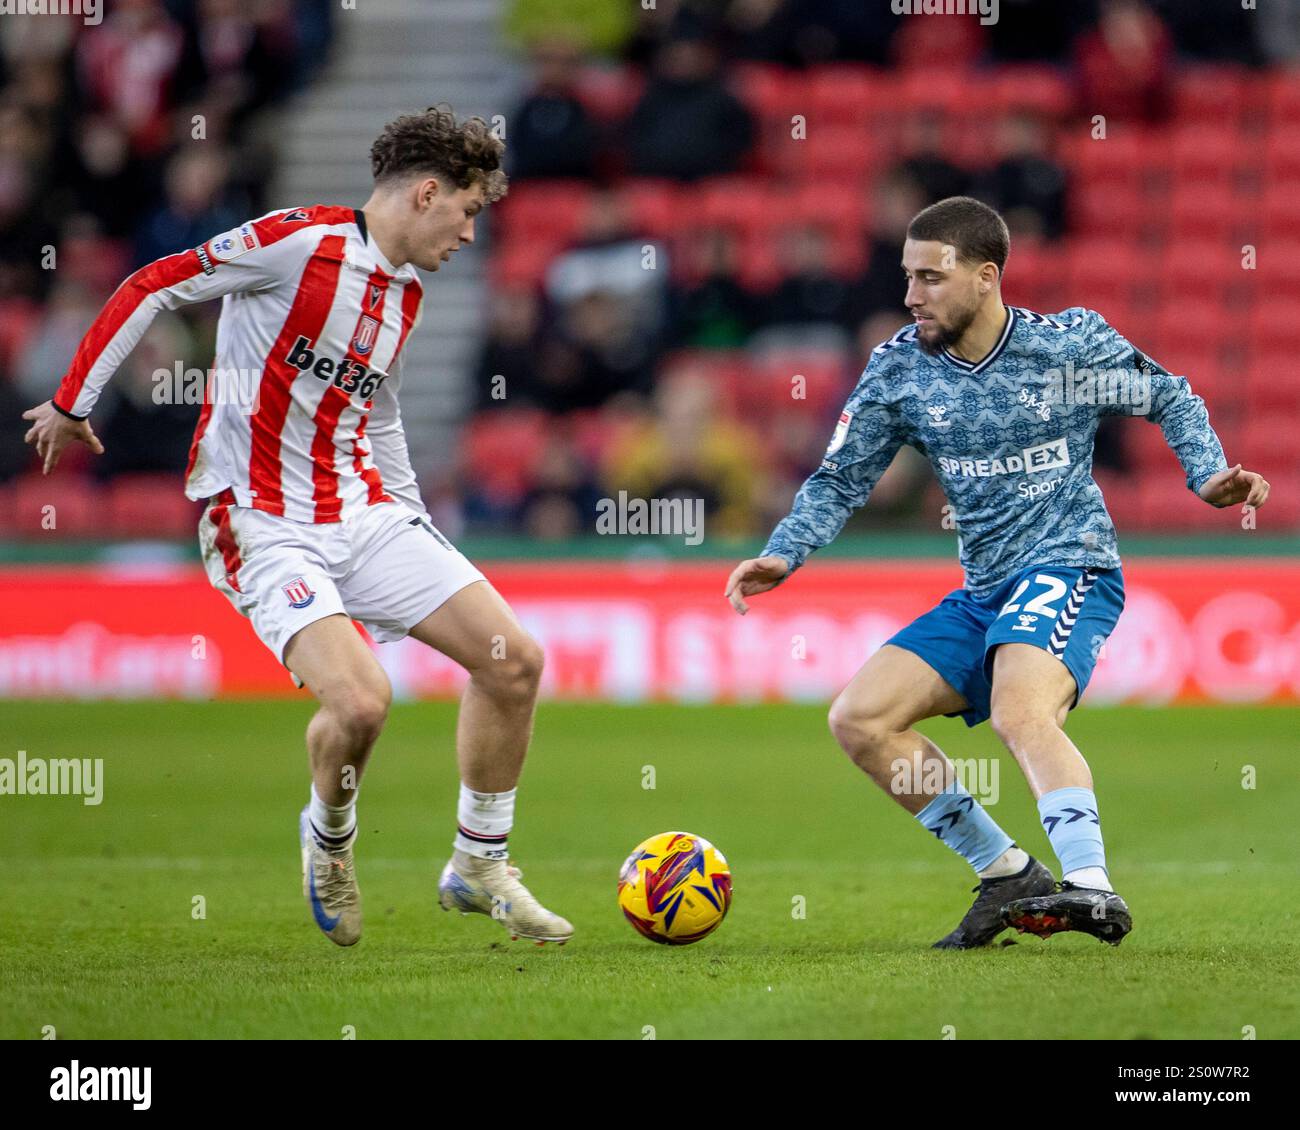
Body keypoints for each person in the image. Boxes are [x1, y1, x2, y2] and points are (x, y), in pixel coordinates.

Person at [22, 106, 573, 949]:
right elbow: (153, 283)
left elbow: (375, 411)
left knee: (515, 662)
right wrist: (73, 399)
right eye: (467, 211)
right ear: (427, 192)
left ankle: (479, 864)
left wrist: (412, 520)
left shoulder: (408, 293)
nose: (470, 233)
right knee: (359, 704)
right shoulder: (297, 242)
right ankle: (330, 839)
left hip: (363, 509)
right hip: (262, 517)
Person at [723, 196, 1270, 949]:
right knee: (860, 719)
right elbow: (842, 475)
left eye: (930, 277)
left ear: (985, 277)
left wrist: (1206, 476)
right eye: (906, 277)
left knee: (1020, 711)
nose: (911, 295)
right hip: (983, 592)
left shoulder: (1068, 351)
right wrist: (785, 550)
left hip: (1070, 563)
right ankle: (1007, 871)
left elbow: (1170, 395)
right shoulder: (901, 370)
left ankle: (1092, 888)